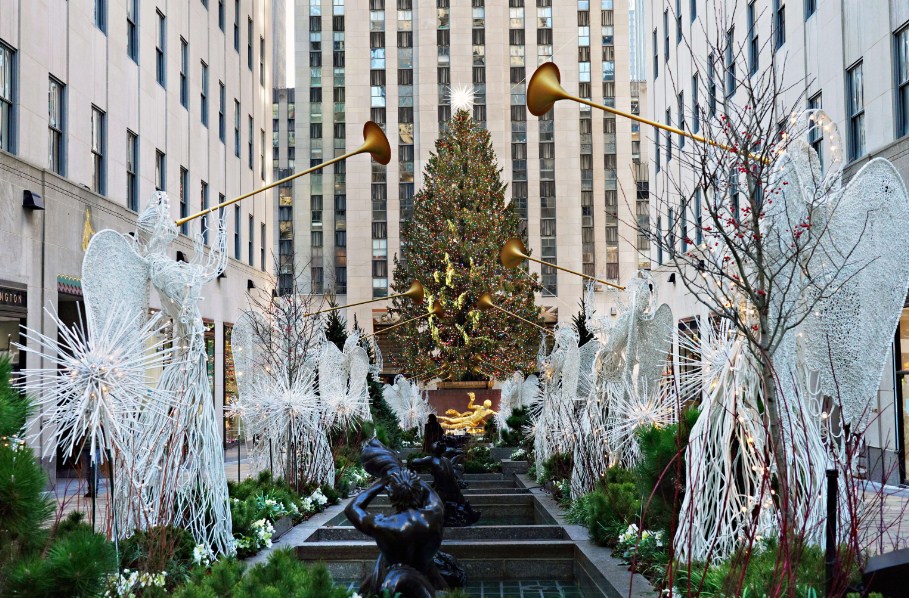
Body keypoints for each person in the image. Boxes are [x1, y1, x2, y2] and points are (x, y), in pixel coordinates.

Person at [345, 467, 446, 597]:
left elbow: (351, 508)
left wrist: (382, 482)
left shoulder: (383, 525)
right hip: (425, 579)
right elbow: (432, 495)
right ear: (419, 491)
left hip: (391, 585)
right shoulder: (434, 516)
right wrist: (414, 479)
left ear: (390, 493)